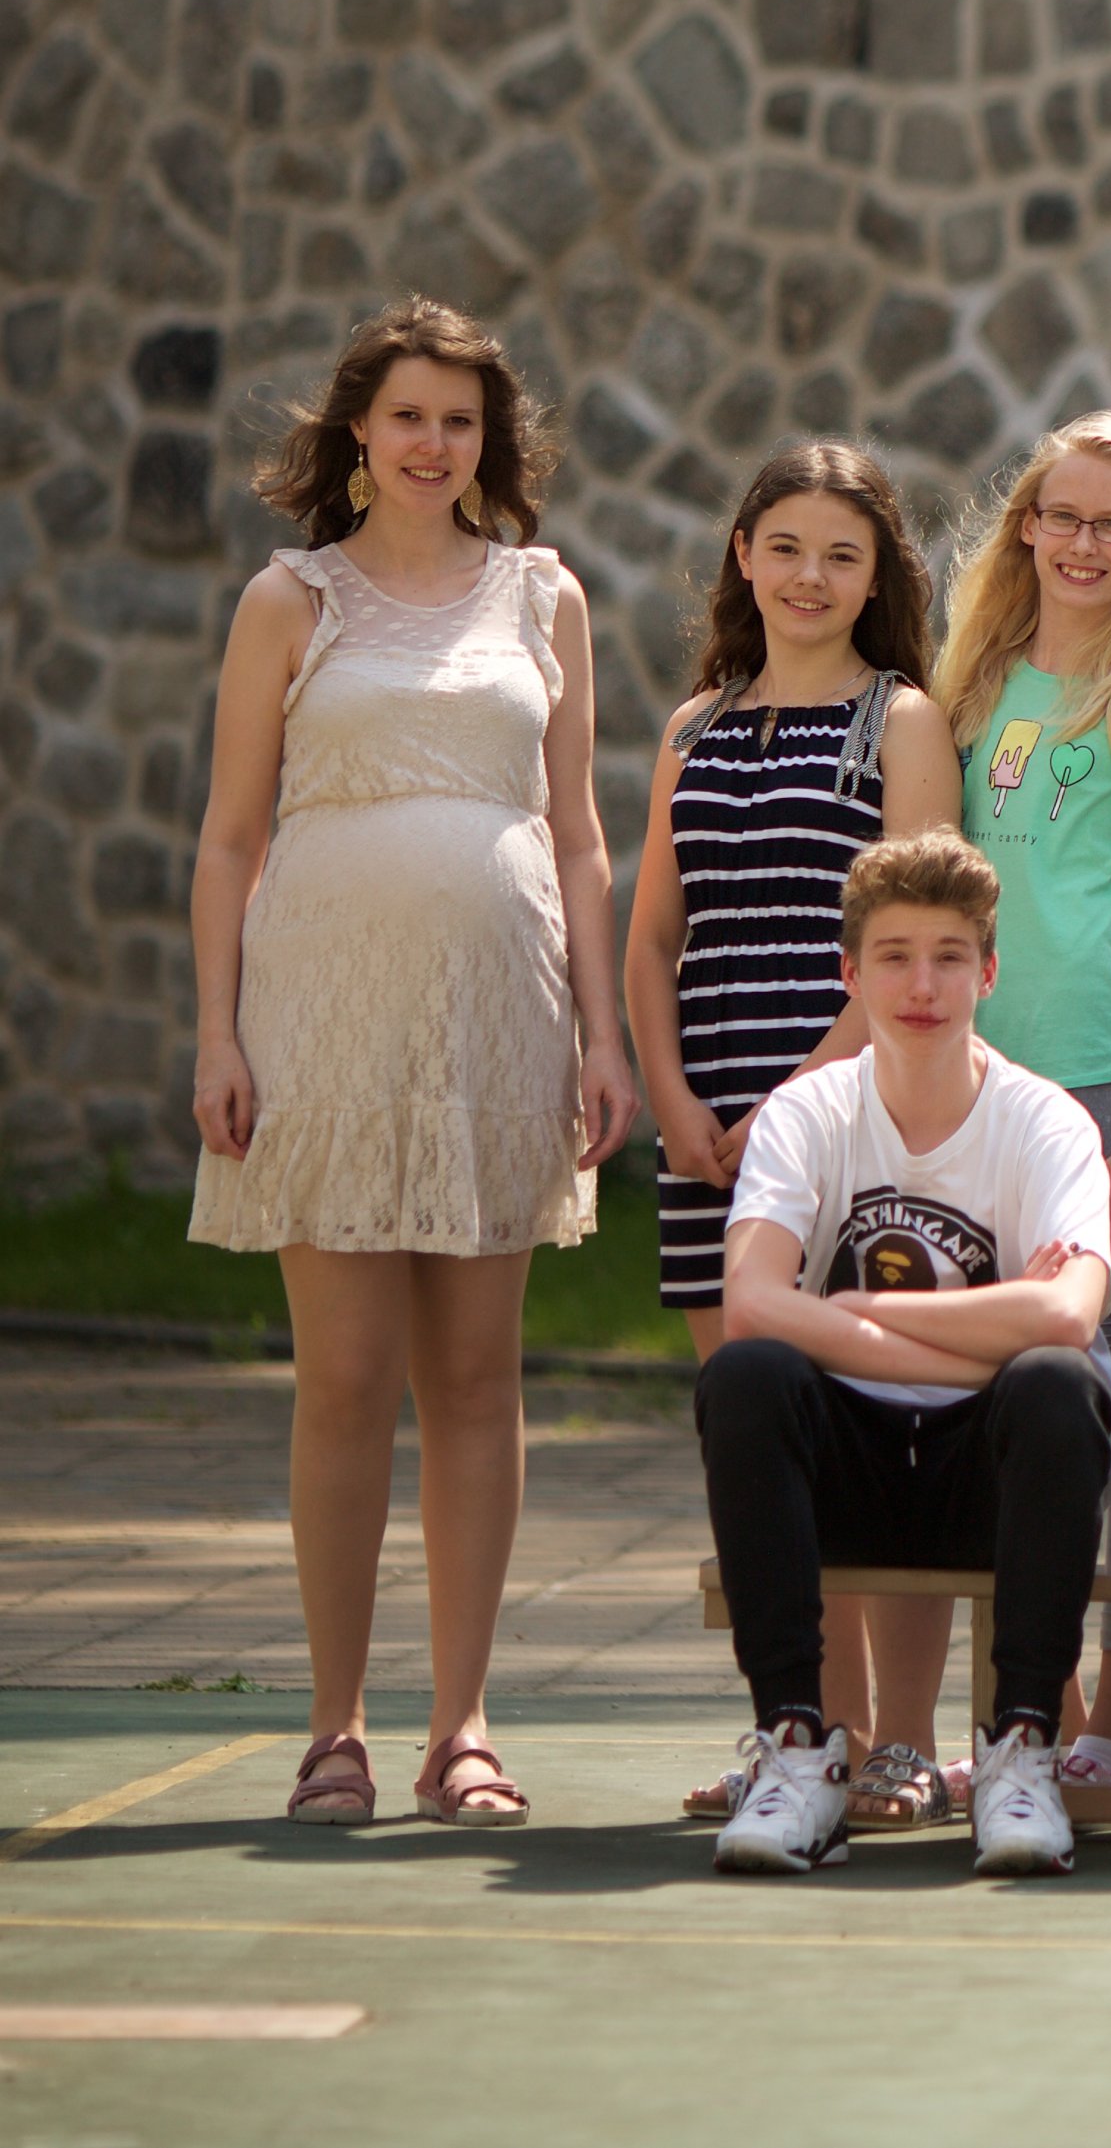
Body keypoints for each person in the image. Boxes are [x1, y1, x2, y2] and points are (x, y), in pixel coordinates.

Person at [189, 296, 634, 1832]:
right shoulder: (287, 600)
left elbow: (581, 835)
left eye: (461, 420)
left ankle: (463, 1728)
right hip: (321, 1020)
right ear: (359, 436)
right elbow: (230, 838)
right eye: (409, 417)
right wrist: (216, 1029)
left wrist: (601, 1035)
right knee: (344, 1378)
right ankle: (334, 1727)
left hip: (501, 1016)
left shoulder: (546, 597)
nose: (435, 443)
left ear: (488, 441)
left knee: (475, 1379)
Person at [622, 443, 964, 1830]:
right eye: (786, 547)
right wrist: (672, 1096)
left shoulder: (904, 720)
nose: (810, 576)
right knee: (759, 1448)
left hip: (853, 1120)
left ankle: (902, 1743)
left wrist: (798, 1103)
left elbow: (917, 937)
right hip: (706, 1131)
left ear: (877, 579)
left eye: (842, 554)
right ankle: (802, 1729)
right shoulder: (693, 725)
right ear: (743, 556)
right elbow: (654, 936)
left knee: (891, 1437)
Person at [694, 830, 1111, 1879]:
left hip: (984, 1474)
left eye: (948, 956)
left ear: (990, 971)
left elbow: (1068, 1317)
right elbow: (750, 1301)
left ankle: (1021, 1753)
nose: (922, 985)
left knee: (1058, 1383)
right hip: (853, 1472)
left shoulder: (1047, 1123)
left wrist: (852, 1311)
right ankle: (797, 1748)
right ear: (849, 972)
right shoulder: (807, 1113)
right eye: (893, 956)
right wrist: (988, 1328)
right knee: (746, 1376)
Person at [937, 412, 1111, 1789]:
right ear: (1028, 528)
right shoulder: (974, 689)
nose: (1087, 543)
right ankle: (1027, 1708)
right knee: (1000, 1391)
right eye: (1066, 515)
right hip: (977, 1088)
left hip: (1107, 1082)